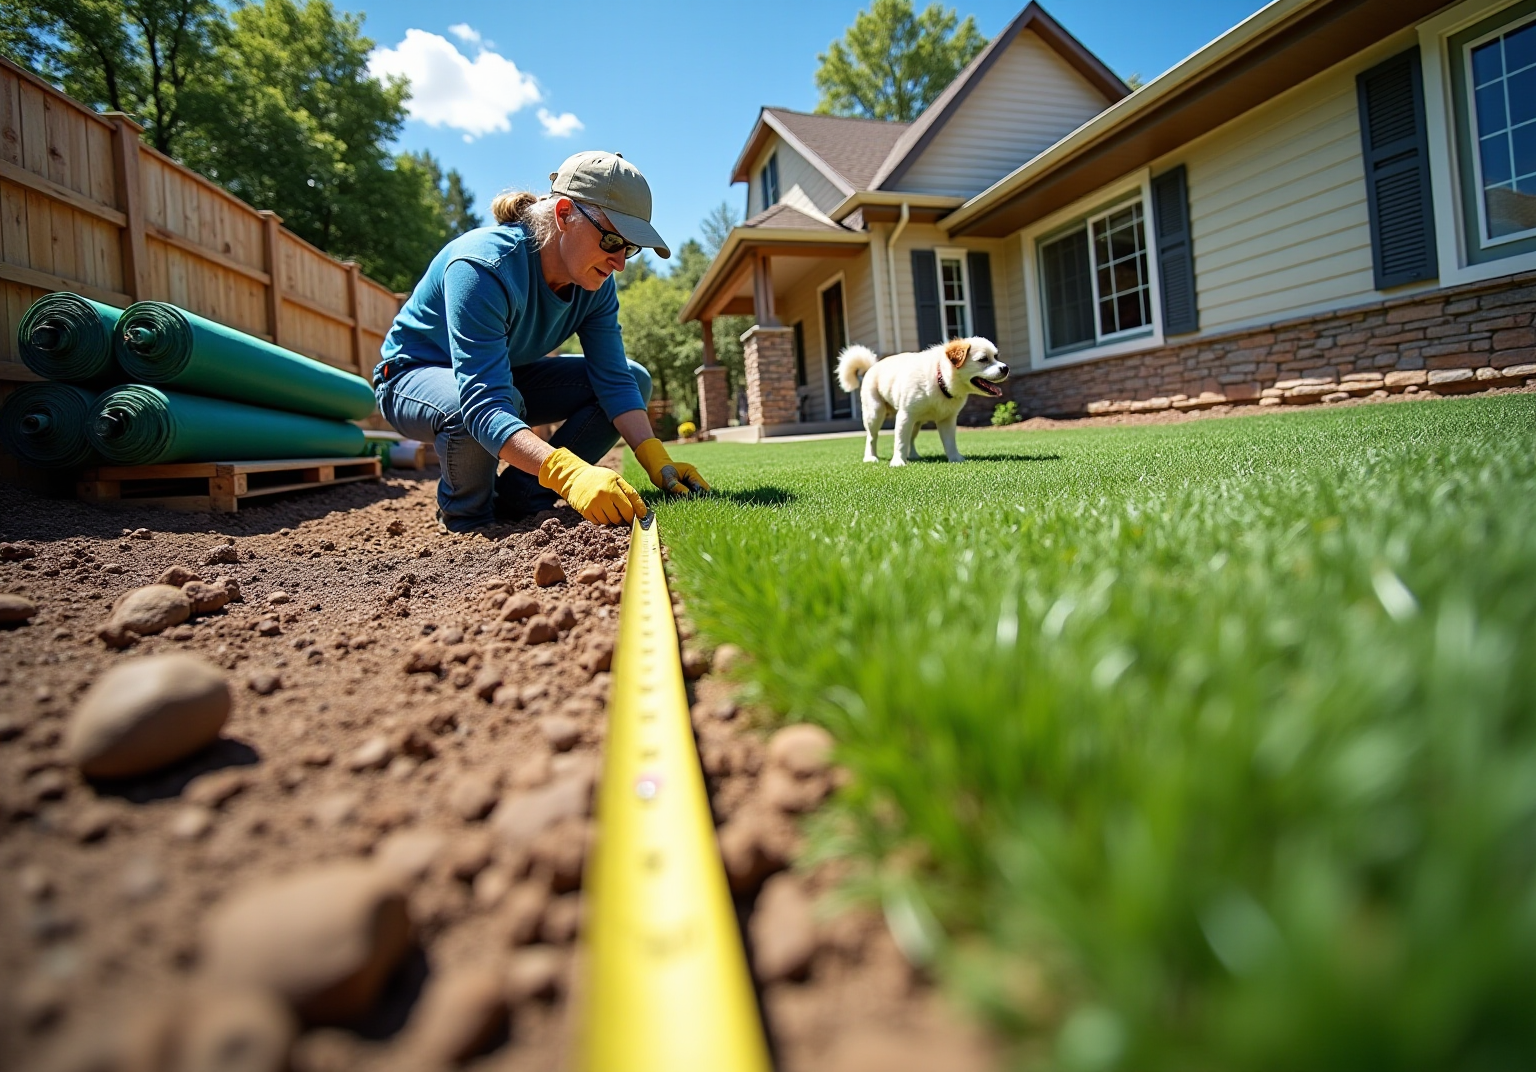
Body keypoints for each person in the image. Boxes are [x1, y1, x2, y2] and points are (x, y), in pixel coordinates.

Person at [372, 150, 709, 531]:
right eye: (612, 239)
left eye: (629, 248)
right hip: (410, 377)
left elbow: (615, 380)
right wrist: (569, 474)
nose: (619, 263)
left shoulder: (596, 284)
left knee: (636, 378)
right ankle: (468, 516)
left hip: (503, 376)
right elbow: (483, 402)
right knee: (469, 408)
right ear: (564, 215)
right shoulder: (483, 267)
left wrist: (655, 456)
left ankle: (523, 496)